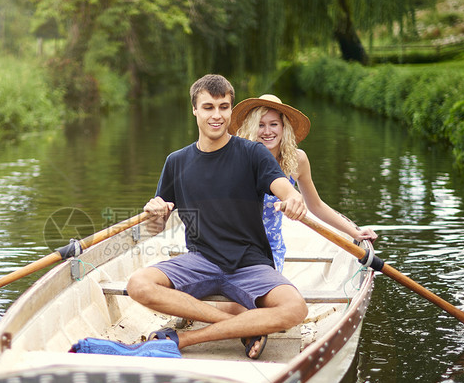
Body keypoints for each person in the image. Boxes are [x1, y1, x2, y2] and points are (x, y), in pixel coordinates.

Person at [124, 74, 309, 360]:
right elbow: (155, 227)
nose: (217, 115)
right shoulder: (176, 161)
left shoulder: (253, 153)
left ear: (230, 111)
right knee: (138, 284)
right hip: (200, 260)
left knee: (295, 308)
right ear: (195, 110)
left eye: (223, 107)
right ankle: (242, 324)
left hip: (249, 263)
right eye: (208, 107)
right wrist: (154, 213)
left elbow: (283, 188)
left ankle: (184, 339)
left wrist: (294, 198)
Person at [228, 94, 377, 272]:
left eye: (274, 124)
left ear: (284, 127)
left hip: (269, 248)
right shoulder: (238, 158)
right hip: (234, 244)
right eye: (260, 125)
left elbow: (316, 206)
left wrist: (355, 233)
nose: (267, 131)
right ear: (252, 128)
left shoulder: (298, 160)